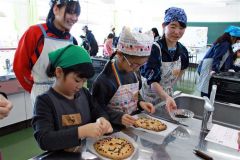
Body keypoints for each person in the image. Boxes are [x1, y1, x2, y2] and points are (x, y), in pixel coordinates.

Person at [32, 45, 113, 152]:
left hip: (88, 152)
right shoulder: (44, 102)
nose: (80, 86)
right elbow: (44, 140)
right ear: (59, 72)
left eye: (84, 81)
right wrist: (81, 132)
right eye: (77, 80)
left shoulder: (84, 93)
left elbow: (98, 110)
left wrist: (102, 119)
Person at [13, 0, 80, 105]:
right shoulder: (35, 33)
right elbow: (19, 67)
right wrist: (36, 88)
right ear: (56, 9)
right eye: (70, 12)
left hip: (66, 95)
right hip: (42, 93)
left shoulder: (72, 40)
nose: (74, 18)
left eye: (77, 14)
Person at [92, 27, 155, 130]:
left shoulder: (135, 73)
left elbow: (135, 94)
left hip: (132, 126)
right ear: (120, 55)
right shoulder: (104, 80)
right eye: (134, 64)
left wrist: (141, 102)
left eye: (141, 65)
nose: (137, 69)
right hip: (112, 130)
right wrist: (118, 117)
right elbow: (96, 108)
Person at [140, 7, 189, 112]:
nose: (177, 32)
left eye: (181, 28)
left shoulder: (183, 50)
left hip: (168, 96)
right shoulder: (155, 48)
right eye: (173, 26)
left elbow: (183, 69)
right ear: (164, 26)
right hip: (150, 97)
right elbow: (152, 81)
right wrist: (166, 97)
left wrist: (169, 86)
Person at [197, 25, 240, 97]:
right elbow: (217, 57)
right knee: (206, 90)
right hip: (209, 68)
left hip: (210, 69)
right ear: (233, 37)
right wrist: (214, 69)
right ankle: (204, 104)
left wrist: (237, 68)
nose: (237, 42)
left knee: (207, 89)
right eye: (237, 39)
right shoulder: (224, 43)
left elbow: (228, 63)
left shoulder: (227, 45)